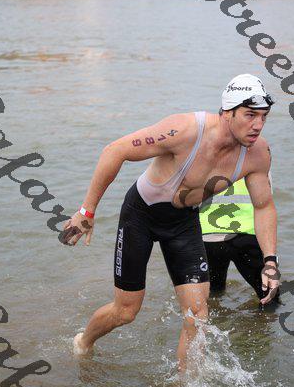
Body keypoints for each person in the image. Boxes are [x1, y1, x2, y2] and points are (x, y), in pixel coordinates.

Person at [62, 74, 280, 371]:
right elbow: (115, 150)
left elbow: (264, 206)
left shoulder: (258, 154)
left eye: (264, 116)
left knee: (197, 314)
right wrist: (86, 212)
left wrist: (270, 261)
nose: (258, 124)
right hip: (141, 214)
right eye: (250, 115)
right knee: (126, 311)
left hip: (183, 222)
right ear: (227, 112)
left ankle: (186, 384)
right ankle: (83, 342)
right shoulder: (185, 130)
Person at [199, 176, 280, 303]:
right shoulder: (258, 162)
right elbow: (265, 203)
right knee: (269, 296)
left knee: (211, 297)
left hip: (204, 234)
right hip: (248, 232)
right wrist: (270, 259)